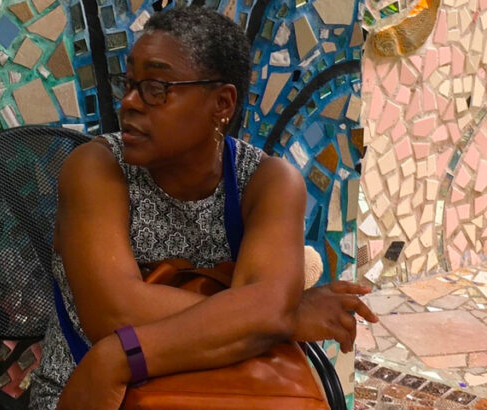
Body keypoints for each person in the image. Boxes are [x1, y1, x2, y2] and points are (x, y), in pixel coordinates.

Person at [27, 7, 378, 409]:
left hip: (219, 389)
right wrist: (283, 318)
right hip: (93, 391)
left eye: (156, 87)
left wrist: (268, 313)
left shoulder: (269, 183)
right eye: (129, 83)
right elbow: (114, 314)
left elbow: (264, 306)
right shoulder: (95, 168)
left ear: (222, 103)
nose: (129, 101)